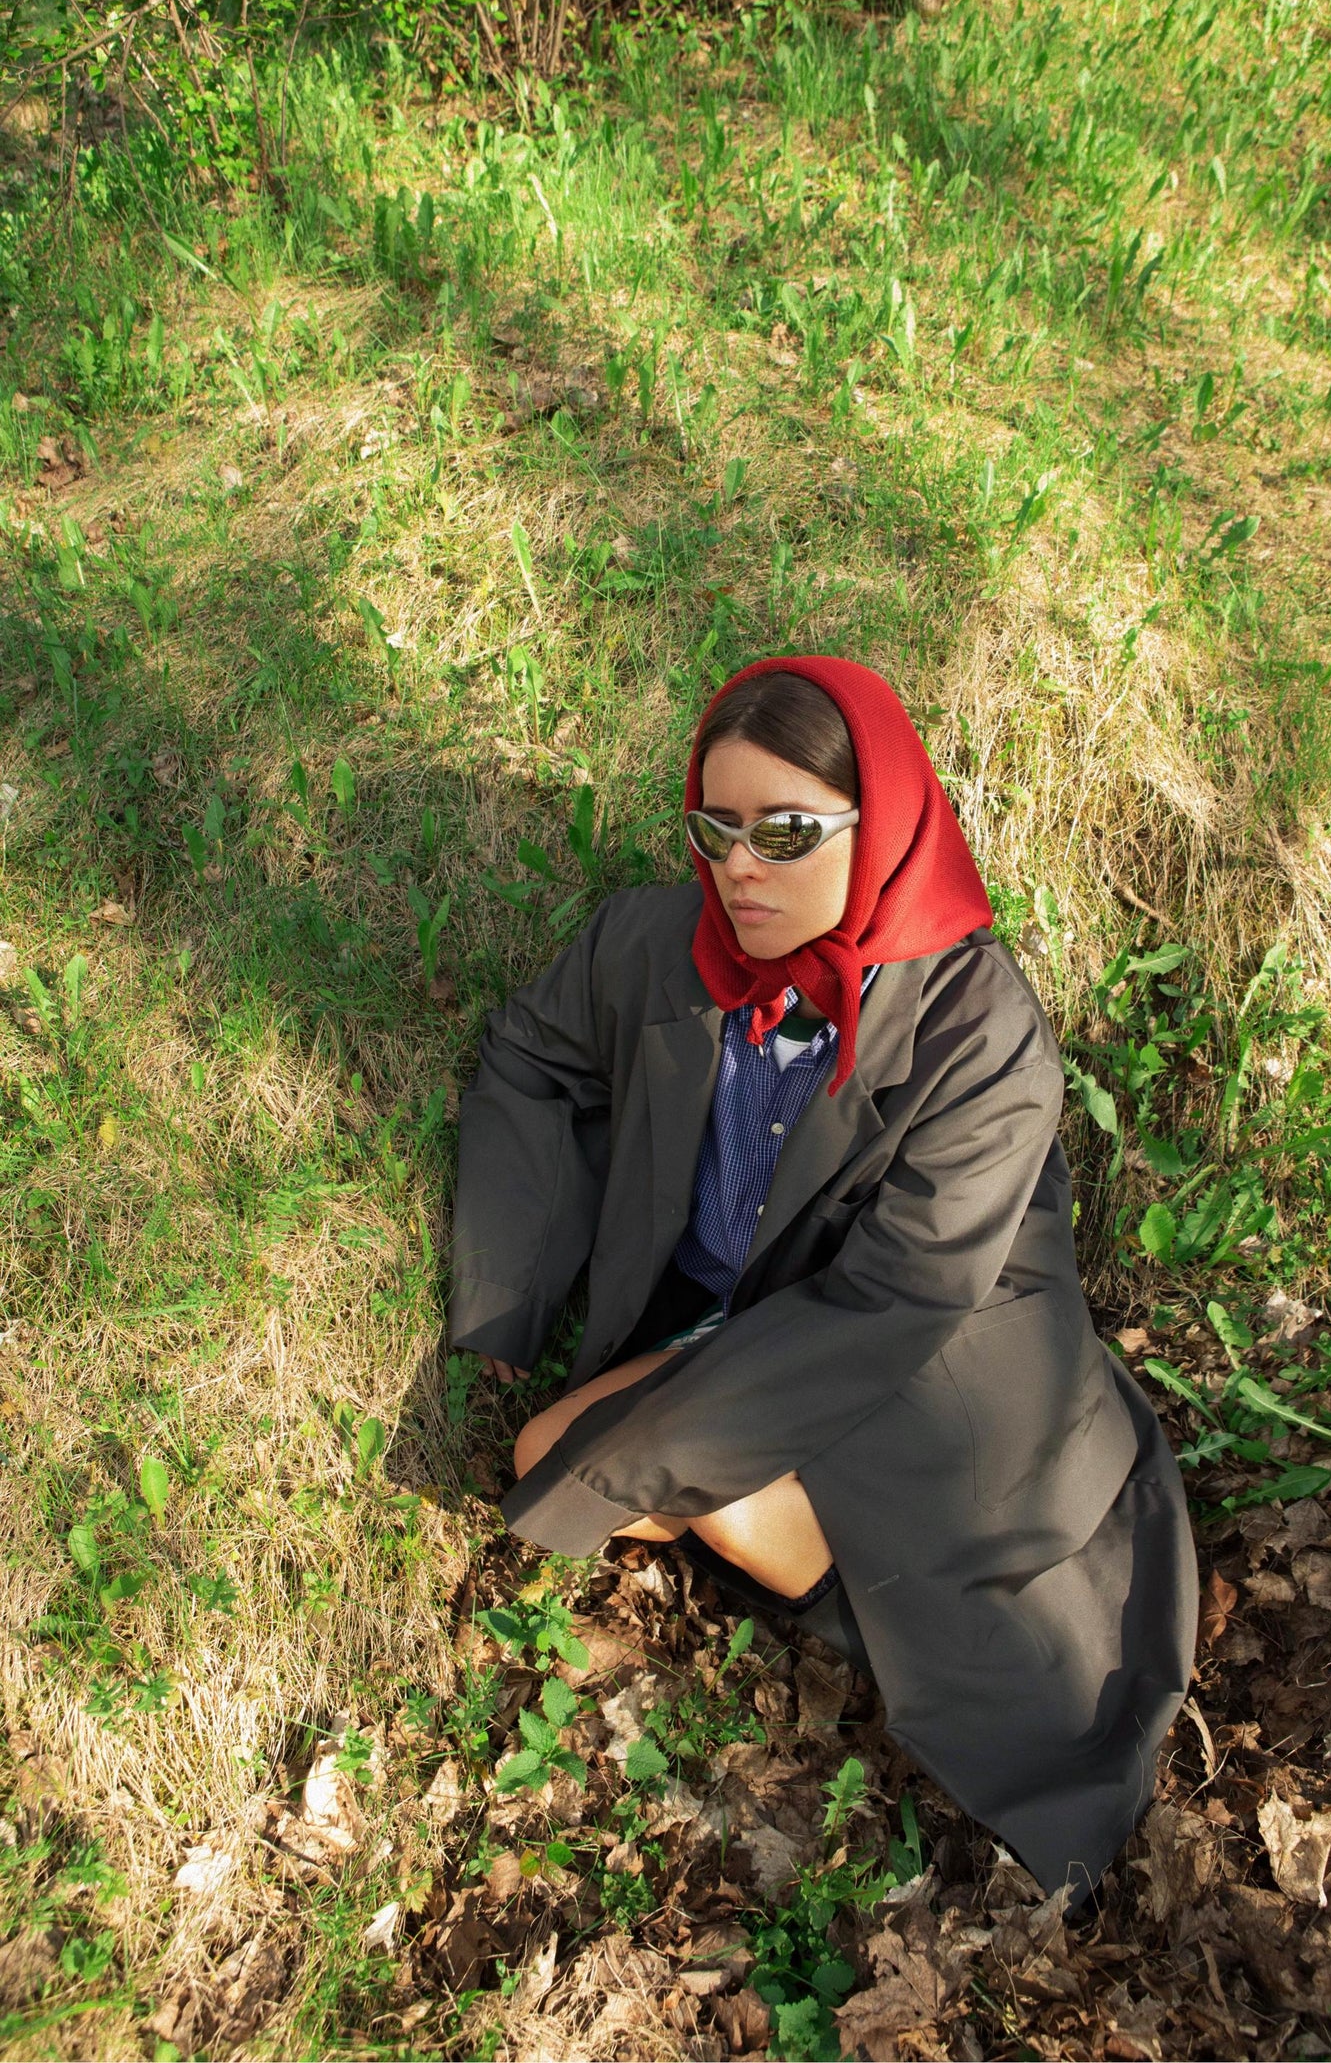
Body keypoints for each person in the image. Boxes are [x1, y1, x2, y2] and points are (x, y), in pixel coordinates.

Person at [451, 654, 1196, 1906]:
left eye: (787, 833)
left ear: (883, 824)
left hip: (942, 1357)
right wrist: (506, 1297)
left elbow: (904, 1297)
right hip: (761, 1319)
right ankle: (801, 1543)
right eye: (716, 827)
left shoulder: (980, 1031)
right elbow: (529, 1054)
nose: (740, 868)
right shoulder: (653, 948)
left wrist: (643, 1447)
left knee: (589, 1469)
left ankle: (861, 1599)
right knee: (587, 1464)